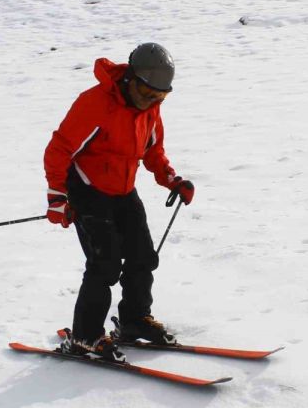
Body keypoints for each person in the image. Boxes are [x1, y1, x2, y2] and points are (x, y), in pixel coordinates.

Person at [43, 43, 195, 362]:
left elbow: (153, 152)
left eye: (160, 97)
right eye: (147, 94)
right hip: (87, 188)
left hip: (123, 189)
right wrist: (58, 196)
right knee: (105, 263)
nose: (152, 102)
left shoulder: (149, 108)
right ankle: (85, 336)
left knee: (143, 257)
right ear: (131, 79)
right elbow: (59, 149)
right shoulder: (95, 104)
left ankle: (134, 321)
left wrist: (172, 179)